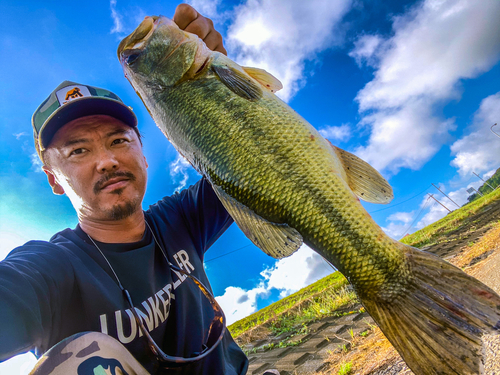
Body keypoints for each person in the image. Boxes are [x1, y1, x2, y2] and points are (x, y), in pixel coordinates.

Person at [0, 4, 278, 375]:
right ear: (54, 179)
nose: (107, 161)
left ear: (143, 155)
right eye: (79, 150)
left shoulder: (181, 218)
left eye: (118, 140)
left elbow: (251, 161)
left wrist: (219, 93)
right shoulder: (50, 269)